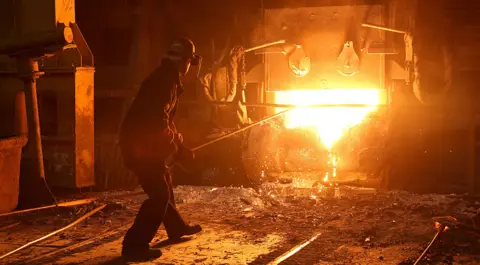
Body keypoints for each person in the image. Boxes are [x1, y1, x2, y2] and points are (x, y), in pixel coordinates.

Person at [118, 37, 203, 262]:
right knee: (159, 195)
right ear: (185, 61)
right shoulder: (166, 82)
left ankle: (176, 228)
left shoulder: (166, 78)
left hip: (143, 143)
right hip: (139, 146)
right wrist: (176, 146)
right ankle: (134, 245)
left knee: (164, 182)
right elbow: (158, 120)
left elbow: (164, 117)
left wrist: (178, 143)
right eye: (189, 62)